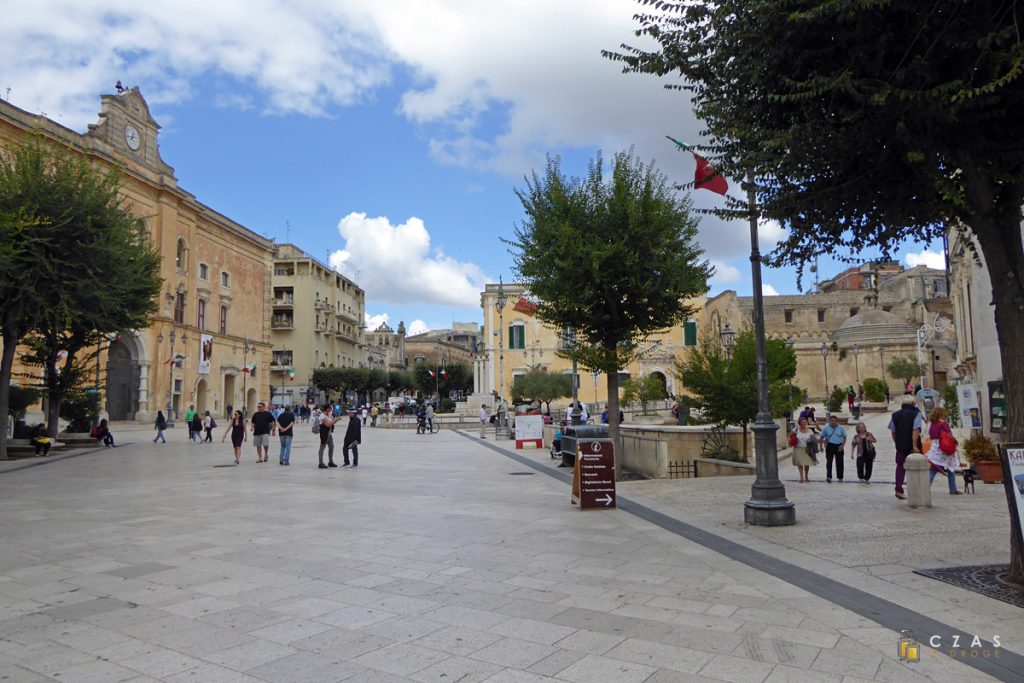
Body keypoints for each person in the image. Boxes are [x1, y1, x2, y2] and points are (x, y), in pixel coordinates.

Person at [888, 395, 923, 500]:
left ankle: (898, 489)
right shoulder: (916, 414)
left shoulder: (895, 415)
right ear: (913, 404)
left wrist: (897, 442)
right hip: (912, 446)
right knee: (916, 467)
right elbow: (915, 431)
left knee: (900, 467)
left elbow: (893, 431)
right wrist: (915, 446)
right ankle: (916, 490)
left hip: (900, 446)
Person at [926, 407, 961, 495]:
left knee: (934, 468)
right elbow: (949, 435)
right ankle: (953, 489)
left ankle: (925, 487)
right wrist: (955, 442)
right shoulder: (943, 423)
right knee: (950, 468)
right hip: (944, 447)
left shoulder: (931, 424)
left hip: (934, 447)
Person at [790, 417, 818, 483]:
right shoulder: (796, 429)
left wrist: (810, 440)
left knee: (806, 463)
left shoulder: (810, 430)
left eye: (805, 422)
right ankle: (801, 477)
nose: (804, 423)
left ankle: (806, 476)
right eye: (802, 422)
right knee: (800, 463)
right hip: (798, 448)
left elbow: (814, 439)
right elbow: (790, 435)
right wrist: (791, 440)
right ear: (799, 423)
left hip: (807, 448)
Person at [821, 414, 847, 482]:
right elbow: (822, 437)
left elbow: (844, 436)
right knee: (829, 462)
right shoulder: (826, 428)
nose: (833, 422)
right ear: (829, 421)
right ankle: (829, 476)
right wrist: (821, 446)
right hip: (830, 445)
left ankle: (840, 477)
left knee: (840, 462)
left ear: (837, 421)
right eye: (831, 420)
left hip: (839, 445)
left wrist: (842, 445)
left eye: (834, 421)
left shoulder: (841, 428)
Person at [318, 403, 337, 469]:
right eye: (330, 408)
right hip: (324, 434)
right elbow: (328, 424)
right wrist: (335, 420)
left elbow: (331, 423)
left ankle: (330, 461)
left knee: (331, 447)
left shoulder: (328, 415)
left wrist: (335, 420)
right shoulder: (322, 416)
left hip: (329, 434)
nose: (331, 409)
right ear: (327, 408)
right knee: (322, 448)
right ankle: (320, 463)